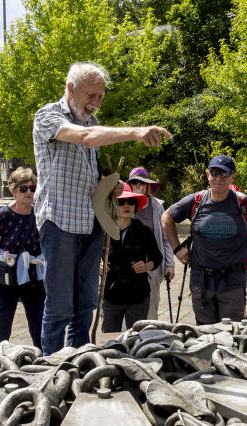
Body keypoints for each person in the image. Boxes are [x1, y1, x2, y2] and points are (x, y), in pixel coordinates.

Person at [32, 61, 172, 355]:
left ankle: (79, 363)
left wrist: (111, 187)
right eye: (90, 95)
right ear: (71, 89)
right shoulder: (48, 116)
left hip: (91, 225)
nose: (95, 103)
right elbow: (84, 138)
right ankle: (50, 369)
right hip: (58, 223)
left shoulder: (92, 123)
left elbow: (87, 170)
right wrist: (136, 132)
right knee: (59, 307)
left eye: (100, 97)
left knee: (86, 304)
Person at [162, 155, 247, 325]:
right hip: (201, 281)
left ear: (233, 176)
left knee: (231, 334)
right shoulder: (196, 201)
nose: (219, 178)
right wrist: (177, 249)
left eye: (224, 173)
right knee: (203, 334)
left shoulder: (243, 202)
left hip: (233, 281)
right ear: (208, 174)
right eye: (215, 173)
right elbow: (166, 218)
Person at [0, 168, 45, 349]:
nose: (29, 192)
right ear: (13, 190)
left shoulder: (41, 213)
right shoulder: (2, 216)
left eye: (33, 188)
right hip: (5, 279)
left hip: (34, 278)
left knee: (41, 330)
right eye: (24, 189)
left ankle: (48, 367)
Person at [101, 185, 163, 332]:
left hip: (138, 296)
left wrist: (147, 266)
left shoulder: (144, 231)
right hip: (110, 296)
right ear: (113, 205)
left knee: (136, 339)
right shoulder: (103, 232)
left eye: (131, 201)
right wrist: (98, 264)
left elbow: (157, 257)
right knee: (109, 340)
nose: (126, 205)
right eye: (121, 202)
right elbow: (89, 257)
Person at [127, 167, 175, 320]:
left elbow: (165, 238)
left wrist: (170, 264)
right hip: (127, 266)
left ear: (148, 185)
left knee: (151, 309)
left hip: (152, 265)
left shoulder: (157, 207)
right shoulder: (123, 204)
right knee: (125, 310)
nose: (139, 184)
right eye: (135, 181)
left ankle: (150, 339)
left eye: (143, 181)